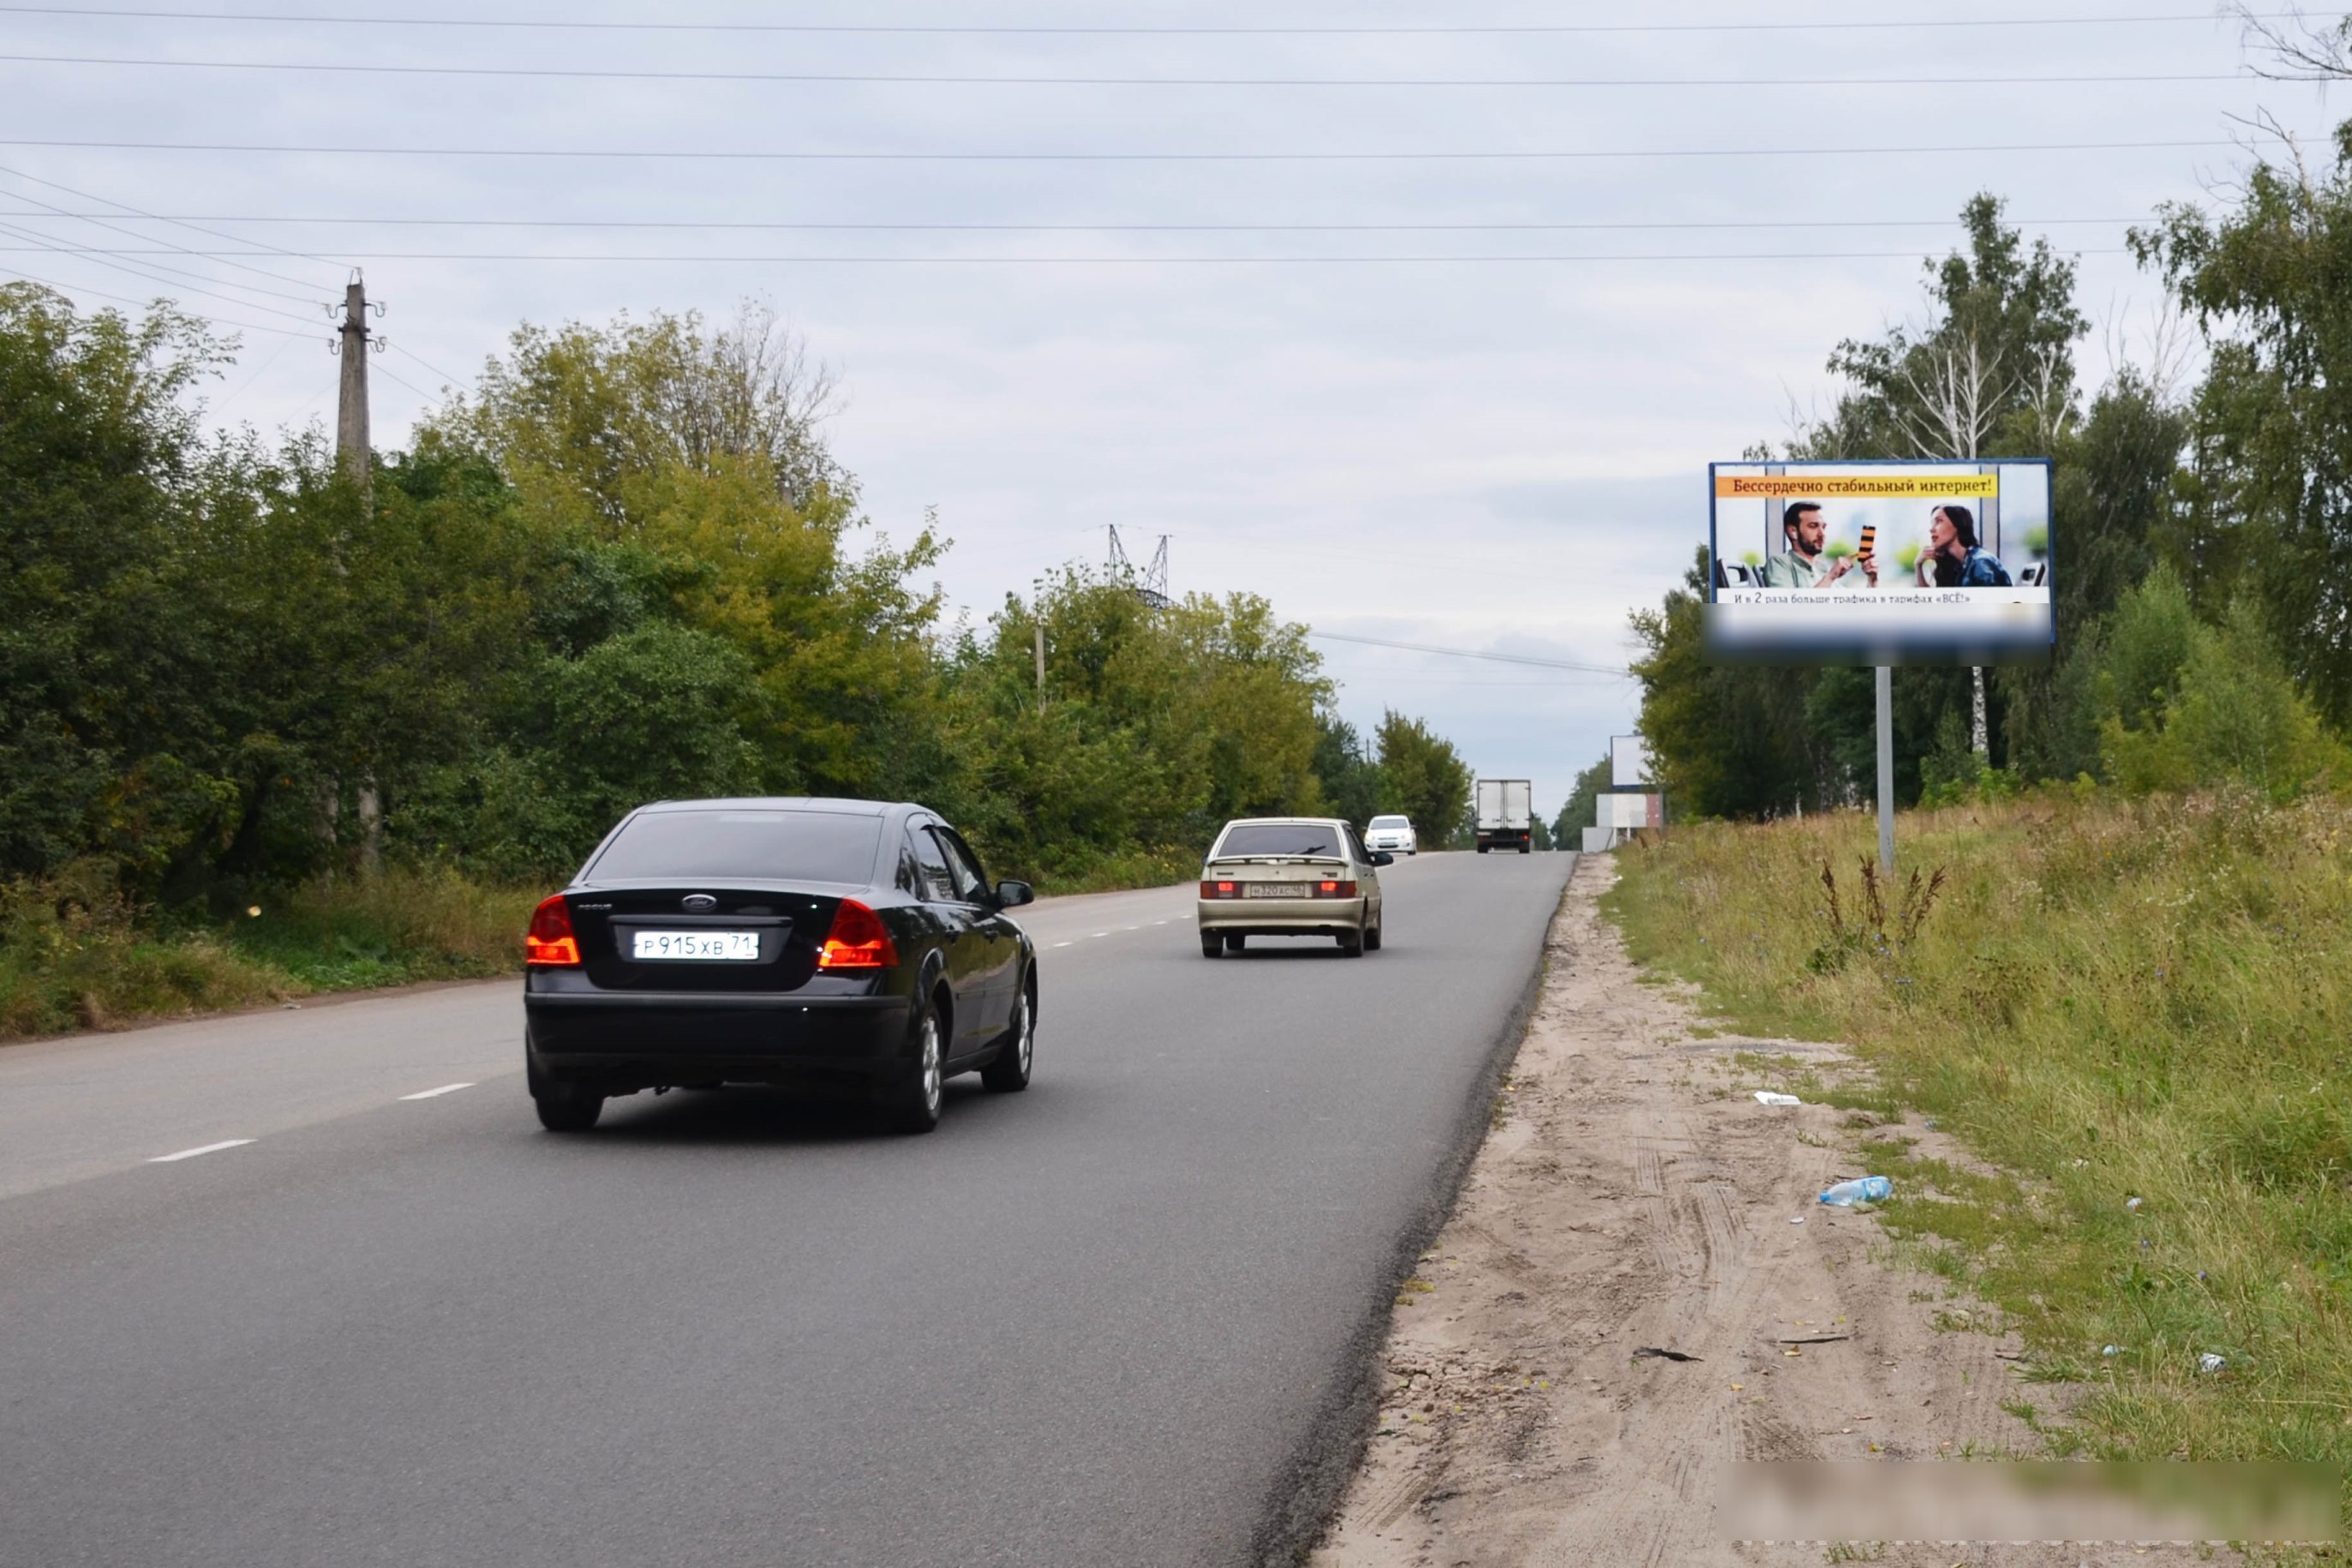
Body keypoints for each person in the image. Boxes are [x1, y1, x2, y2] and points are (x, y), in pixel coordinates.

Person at [1762, 501, 1876, 589]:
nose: (1822, 534)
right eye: (1813, 526)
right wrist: (1831, 576)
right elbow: (1788, 610)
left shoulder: (1822, 568)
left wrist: (1872, 578)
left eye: (1823, 527)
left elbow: (1854, 607)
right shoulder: (1779, 563)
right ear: (1793, 531)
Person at [1927, 505, 2011, 588]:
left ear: (1957, 524)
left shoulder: (1981, 563)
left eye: (1939, 521)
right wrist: (1918, 565)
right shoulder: (1959, 566)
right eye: (1932, 523)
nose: (1931, 529)